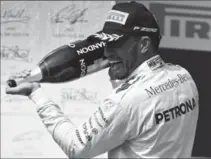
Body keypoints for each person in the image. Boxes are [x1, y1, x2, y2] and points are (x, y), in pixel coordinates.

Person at [5, 1, 199, 158]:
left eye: (116, 44)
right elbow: (147, 125)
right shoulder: (183, 77)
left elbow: (76, 147)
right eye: (105, 43)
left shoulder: (127, 102)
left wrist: (36, 93)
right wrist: (119, 73)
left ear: (144, 45)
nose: (106, 52)